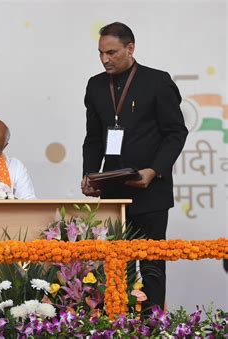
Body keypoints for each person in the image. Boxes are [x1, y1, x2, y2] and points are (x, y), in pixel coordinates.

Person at [81, 22, 188, 311]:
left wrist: (153, 171)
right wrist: (88, 175)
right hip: (112, 192)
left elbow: (176, 132)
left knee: (152, 265)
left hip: (151, 191)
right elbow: (93, 139)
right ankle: (117, 323)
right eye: (101, 53)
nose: (105, 59)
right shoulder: (95, 85)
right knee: (115, 267)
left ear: (131, 48)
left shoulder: (157, 81)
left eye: (112, 52)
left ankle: (153, 324)